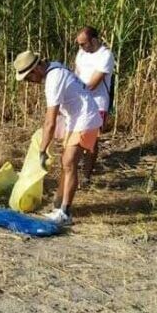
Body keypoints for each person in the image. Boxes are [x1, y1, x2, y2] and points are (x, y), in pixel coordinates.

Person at [13, 50, 102, 225]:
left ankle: (65, 213)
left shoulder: (53, 79)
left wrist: (42, 149)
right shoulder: (54, 67)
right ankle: (59, 205)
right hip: (75, 119)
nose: (30, 82)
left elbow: (50, 121)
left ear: (36, 69)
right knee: (66, 163)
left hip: (85, 120)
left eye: (28, 78)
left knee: (69, 163)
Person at [73, 26, 114, 187]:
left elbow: (93, 84)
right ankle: (74, 170)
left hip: (97, 103)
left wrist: (72, 90)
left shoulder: (106, 56)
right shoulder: (82, 53)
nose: (81, 47)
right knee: (77, 137)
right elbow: (76, 73)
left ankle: (86, 176)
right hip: (80, 101)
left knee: (91, 141)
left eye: (83, 44)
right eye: (79, 44)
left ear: (94, 41)